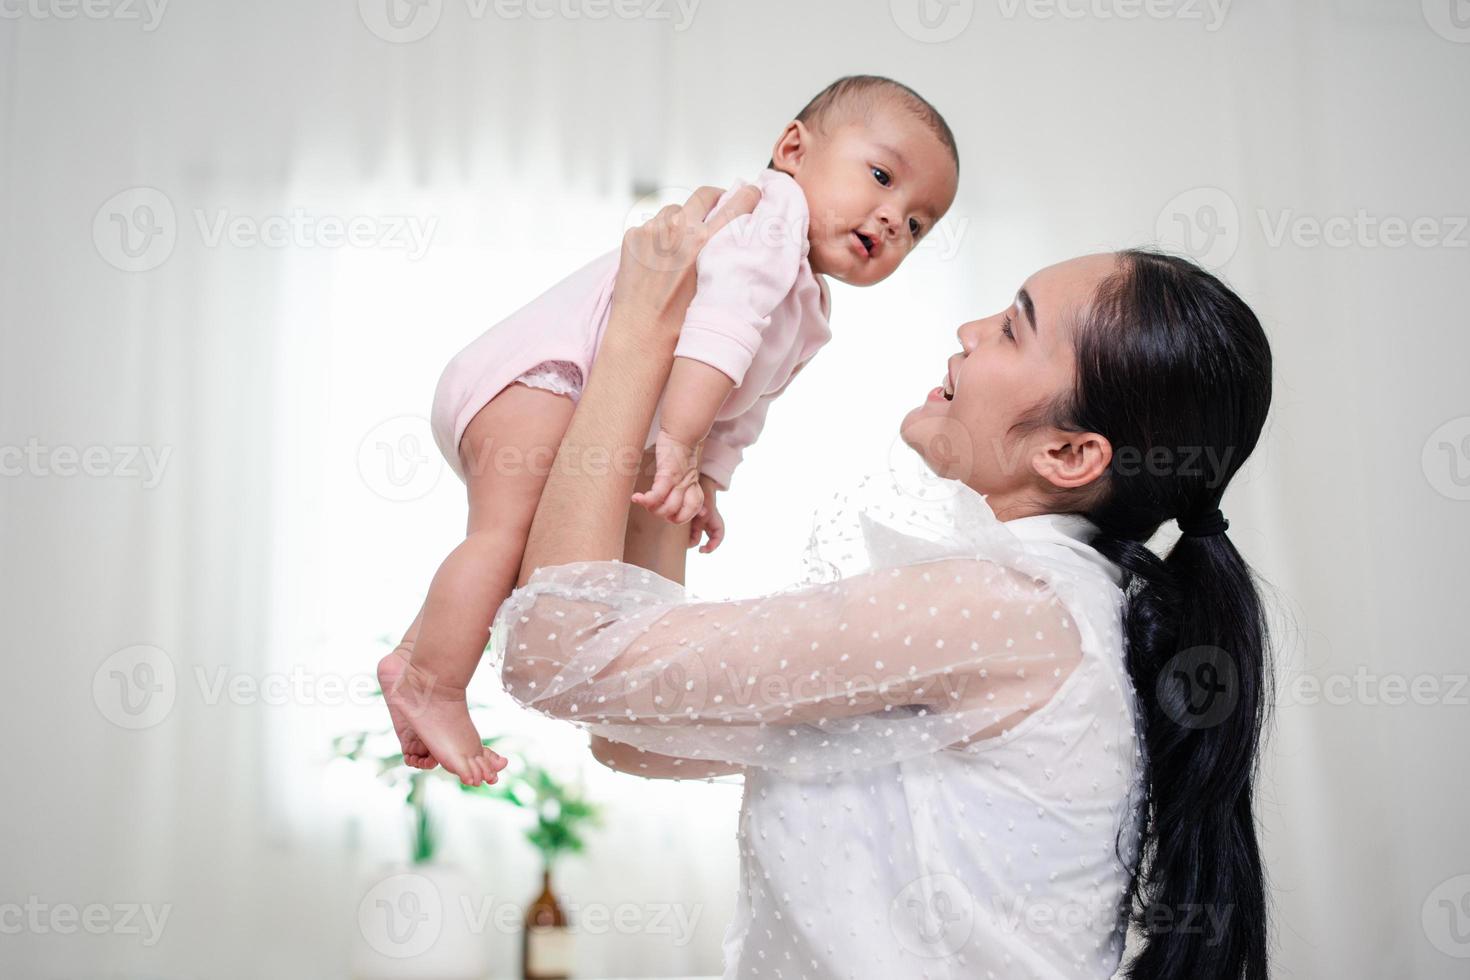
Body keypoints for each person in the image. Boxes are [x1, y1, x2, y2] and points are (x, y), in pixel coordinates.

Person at [493, 188, 1275, 979]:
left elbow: (555, 651)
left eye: (1012, 328)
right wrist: (679, 446)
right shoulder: (1048, 608)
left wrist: (640, 330)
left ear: (1070, 456)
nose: (969, 333)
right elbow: (634, 734)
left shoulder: (1008, 610)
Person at [379, 76, 960, 785]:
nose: (894, 217)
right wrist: (678, 452)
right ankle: (433, 683)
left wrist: (709, 477)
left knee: (521, 544)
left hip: (548, 386)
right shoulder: (767, 226)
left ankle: (416, 656)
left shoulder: (810, 309)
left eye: (919, 222)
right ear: (792, 149)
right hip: (537, 375)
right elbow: (717, 338)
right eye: (880, 175)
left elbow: (742, 409)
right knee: (506, 536)